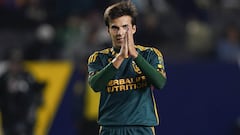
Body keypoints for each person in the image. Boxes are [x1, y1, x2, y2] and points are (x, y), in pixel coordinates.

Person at [87, 1, 167, 135]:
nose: (120, 32)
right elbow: (96, 86)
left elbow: (160, 83)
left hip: (141, 127)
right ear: (108, 30)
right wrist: (119, 58)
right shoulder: (98, 58)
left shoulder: (149, 54)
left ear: (134, 28)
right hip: (110, 128)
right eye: (115, 28)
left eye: (125, 27)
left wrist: (135, 55)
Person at [0, 49, 46, 135]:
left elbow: (36, 90)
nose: (15, 66)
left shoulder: (27, 76)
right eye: (13, 63)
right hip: (8, 119)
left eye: (18, 64)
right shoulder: (4, 78)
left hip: (25, 119)